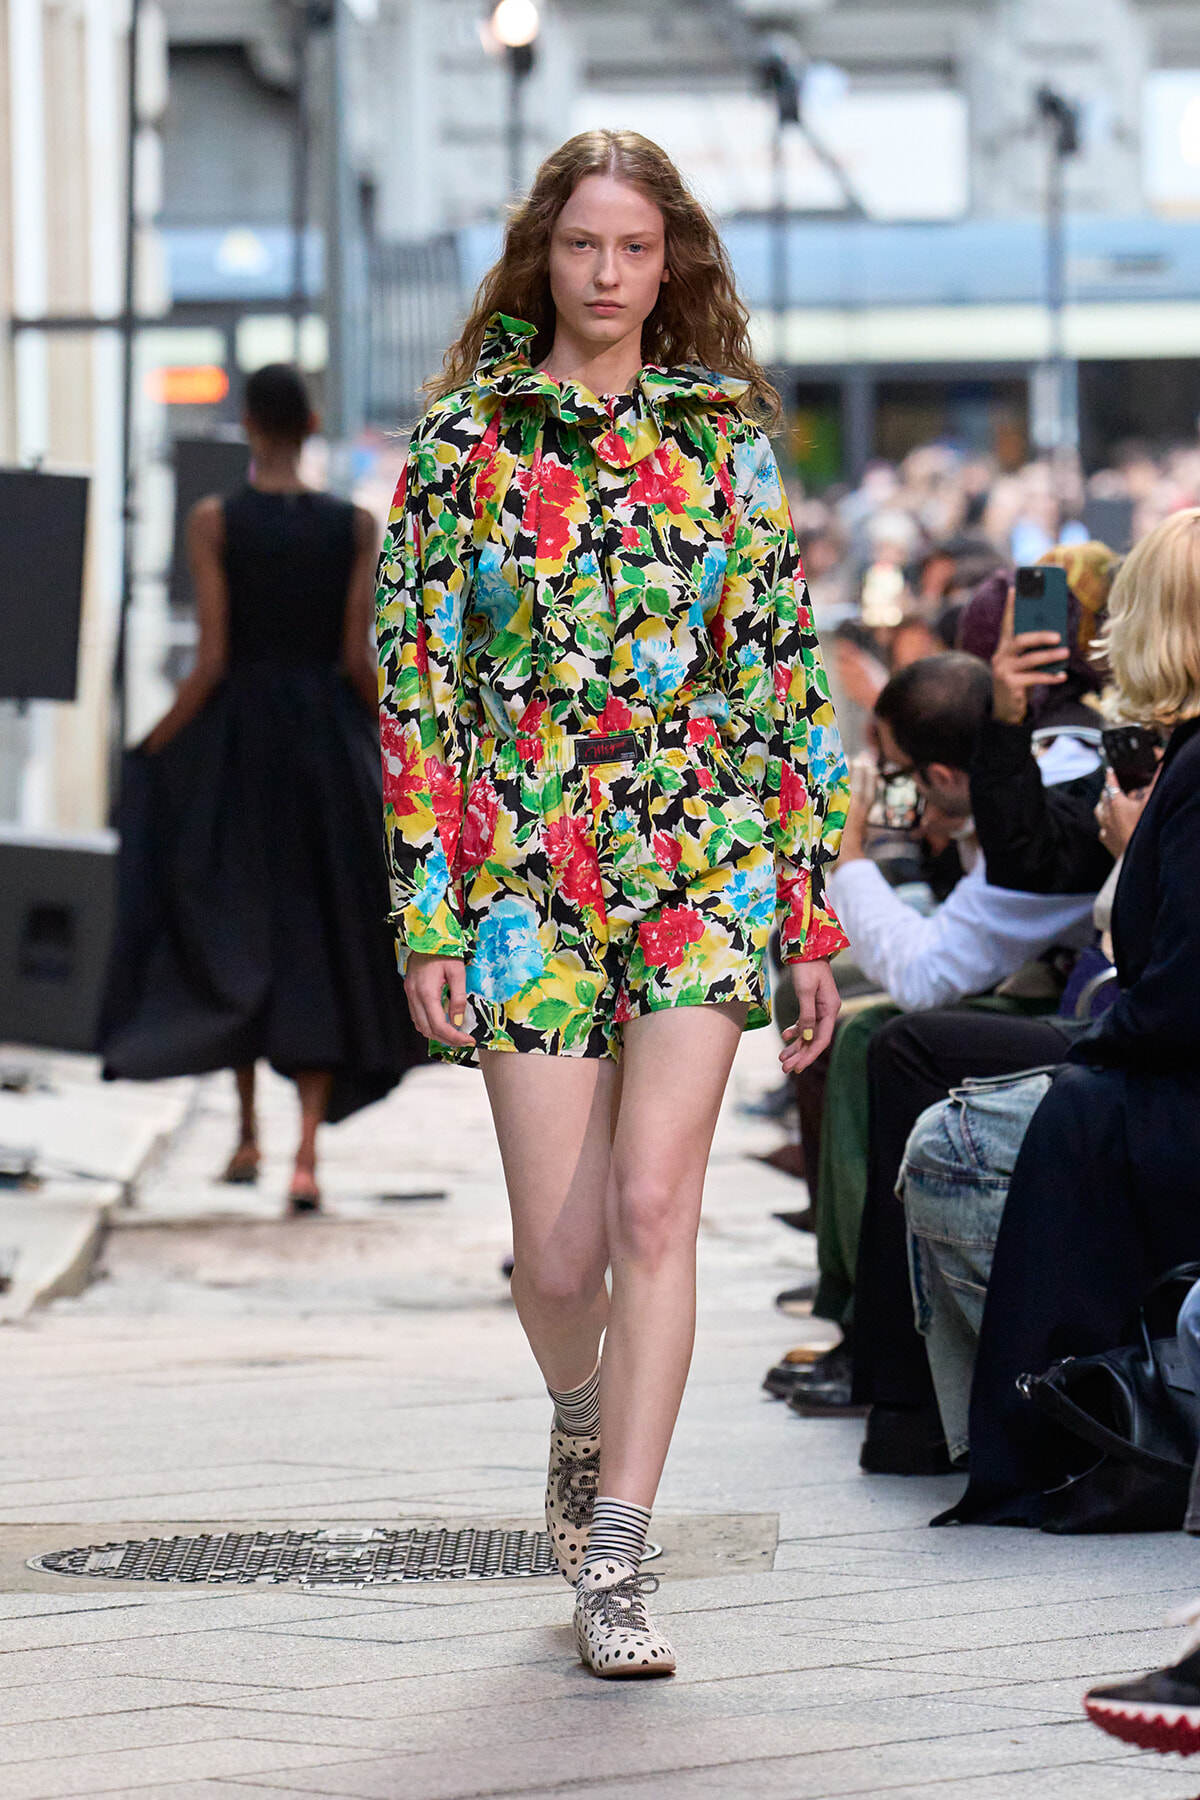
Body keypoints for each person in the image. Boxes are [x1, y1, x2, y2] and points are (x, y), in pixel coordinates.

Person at [376, 128, 849, 1679]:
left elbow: (781, 679)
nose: (605, 273)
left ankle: (623, 1561)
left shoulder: (724, 445)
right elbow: (417, 700)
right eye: (582, 244)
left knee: (658, 1211)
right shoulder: (461, 448)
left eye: (634, 248)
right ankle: (579, 1412)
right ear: (544, 254)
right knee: (560, 1258)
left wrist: (808, 916)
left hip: (697, 868)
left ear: (671, 265)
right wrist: (427, 913)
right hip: (524, 871)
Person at [894, 507, 1200, 1527]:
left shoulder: (1172, 769)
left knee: (946, 1119)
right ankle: (930, 1414)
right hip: (1135, 1038)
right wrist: (1007, 723)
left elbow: (1166, 978)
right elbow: (1034, 863)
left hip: (1150, 1054)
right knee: (898, 1058)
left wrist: (1134, 839)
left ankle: (1057, 1413)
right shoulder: (1156, 754)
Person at [100, 365, 421, 1211]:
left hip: (239, 750)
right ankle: (307, 1152)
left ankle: (247, 1132)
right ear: (314, 423)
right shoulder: (354, 526)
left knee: (233, 930)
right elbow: (359, 660)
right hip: (322, 752)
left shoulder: (214, 522)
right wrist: (398, 744)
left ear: (247, 424)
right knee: (317, 939)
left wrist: (153, 748)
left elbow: (211, 658)